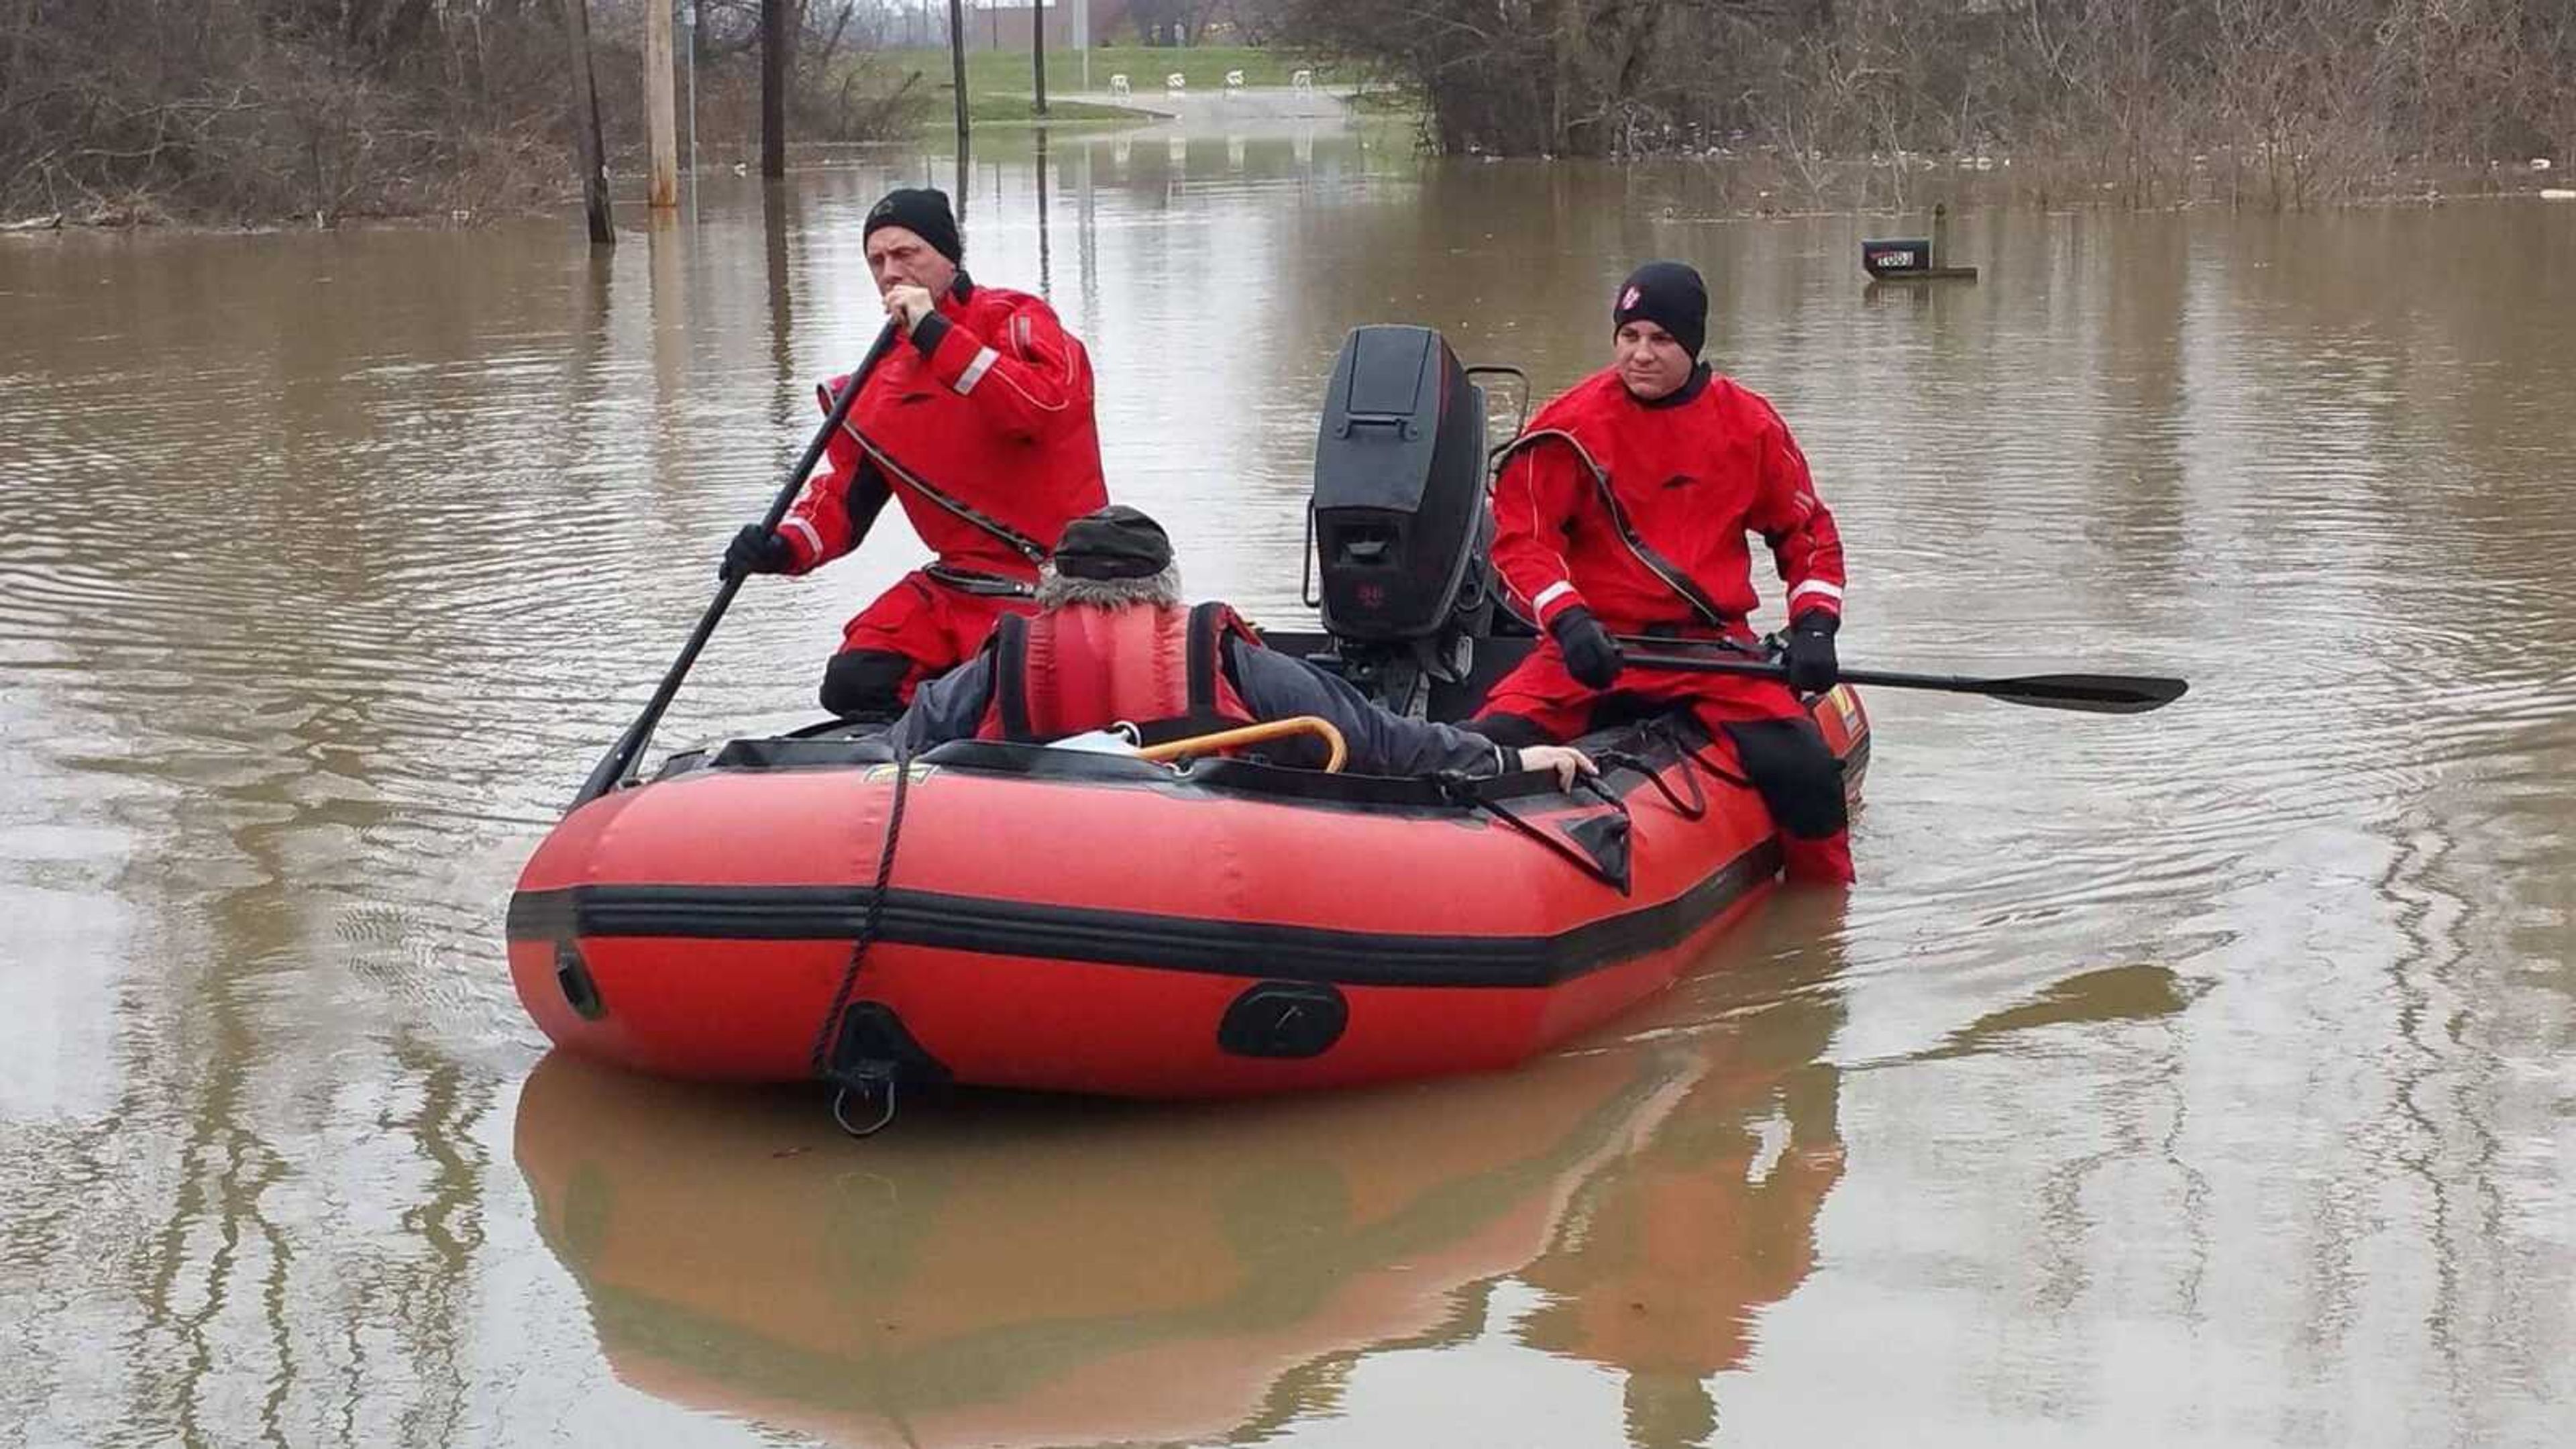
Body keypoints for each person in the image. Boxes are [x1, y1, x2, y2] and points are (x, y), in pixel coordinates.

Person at [1472, 260, 1855, 883]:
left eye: (1661, 340)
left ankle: (1824, 916)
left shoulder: (1749, 425)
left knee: (1806, 772)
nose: (1641, 355)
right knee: (1485, 747)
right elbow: (1523, 541)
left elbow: (1806, 533)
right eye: (1629, 337)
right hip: (1593, 650)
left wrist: (1814, 627)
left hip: (1710, 656)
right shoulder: (1568, 427)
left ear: (1693, 344)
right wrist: (1569, 623)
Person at [720, 186, 1108, 718]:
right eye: (876, 260)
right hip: (957, 588)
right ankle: (926, 769)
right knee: (853, 682)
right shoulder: (875, 386)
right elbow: (843, 502)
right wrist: (780, 548)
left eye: (907, 254)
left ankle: (986, 738)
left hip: (1060, 584)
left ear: (949, 257)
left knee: (1024, 690)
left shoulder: (1018, 320)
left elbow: (1042, 407)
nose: (889, 271)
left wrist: (935, 334)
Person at [887, 506, 1598, 788]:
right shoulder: (1216, 652)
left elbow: (895, 753)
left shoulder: (1002, 660)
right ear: (1166, 587)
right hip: (1201, 865)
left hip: (1022, 866)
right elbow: (1373, 737)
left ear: (1053, 588)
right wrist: (1508, 758)